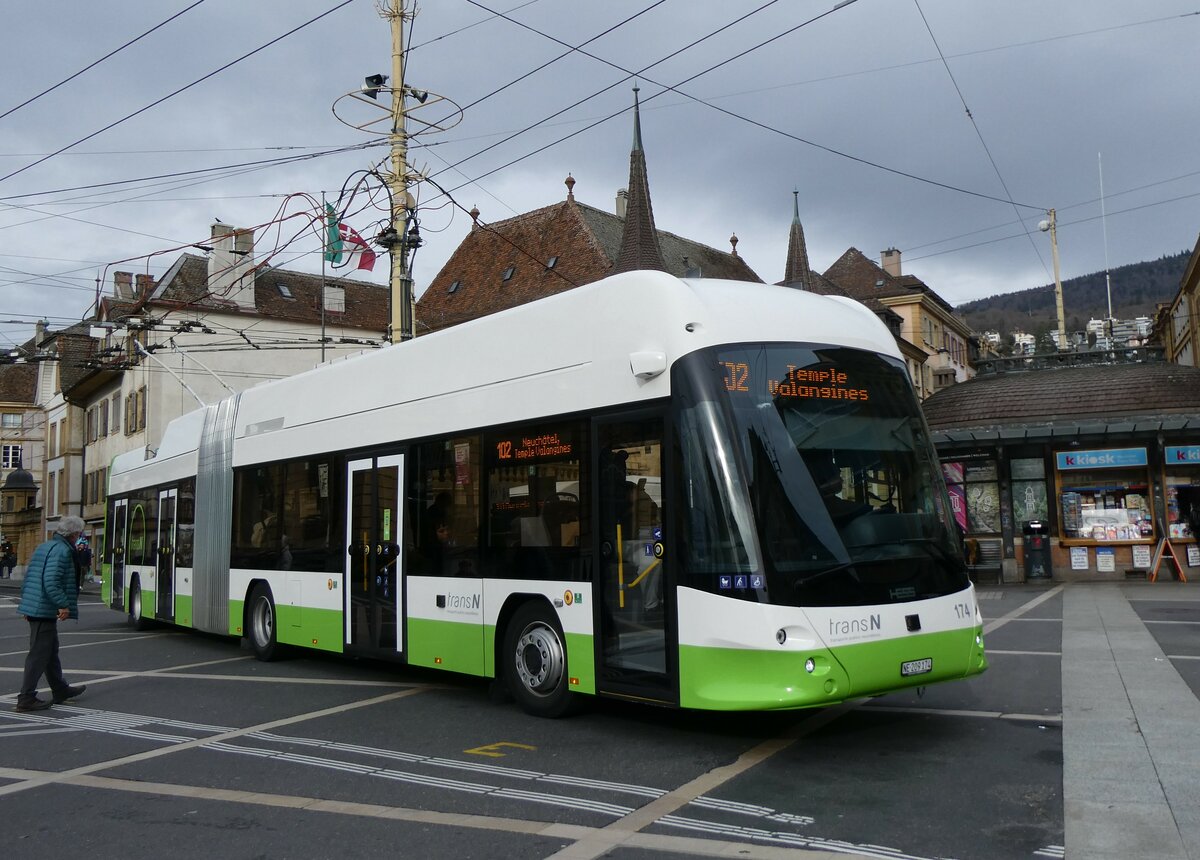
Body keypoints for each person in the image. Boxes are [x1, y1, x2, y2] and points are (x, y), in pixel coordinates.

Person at [15, 516, 87, 712]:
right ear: (73, 534)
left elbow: (31, 576)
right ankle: (26, 697)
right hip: (43, 608)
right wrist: (63, 604)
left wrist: (26, 604)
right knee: (39, 654)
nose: (79, 537)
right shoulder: (62, 551)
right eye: (79, 534)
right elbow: (51, 582)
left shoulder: (45, 546)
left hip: (36, 605)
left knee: (50, 650)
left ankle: (60, 688)